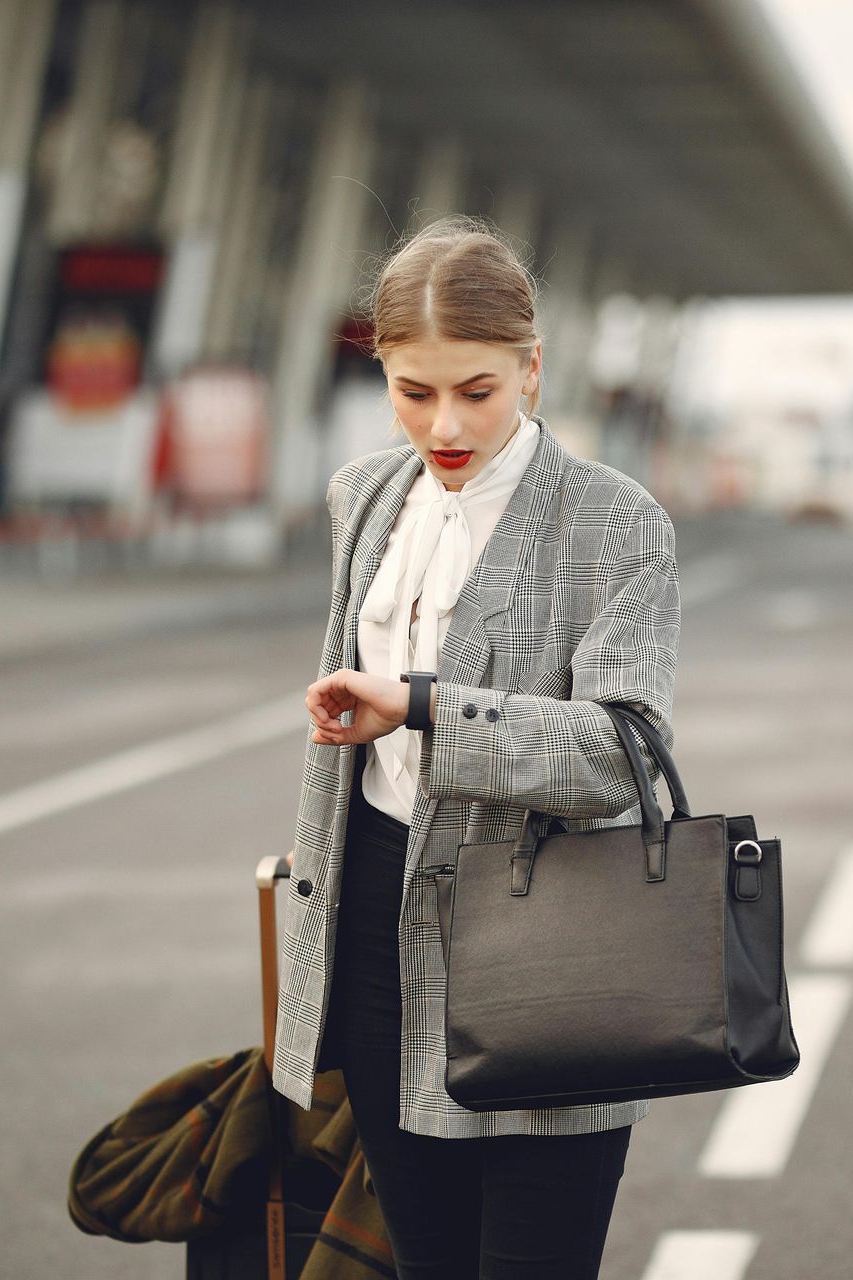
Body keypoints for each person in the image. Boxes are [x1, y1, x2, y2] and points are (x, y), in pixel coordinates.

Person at [274, 214, 681, 1278]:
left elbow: (617, 753)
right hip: (374, 934)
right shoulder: (363, 496)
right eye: (415, 391)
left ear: (532, 369)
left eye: (478, 389)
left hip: (548, 945)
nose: (445, 421)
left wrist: (421, 705)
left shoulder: (613, 522)